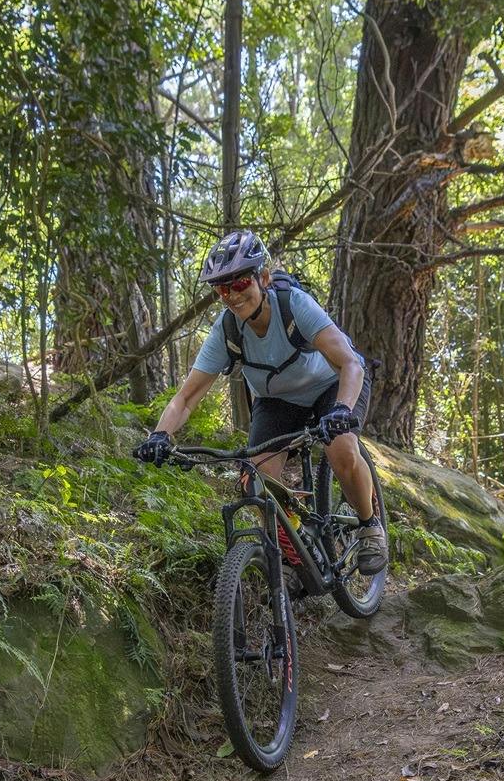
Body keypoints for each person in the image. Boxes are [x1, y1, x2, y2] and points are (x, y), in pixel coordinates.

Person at [132, 231, 389, 576]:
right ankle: (298, 553)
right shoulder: (227, 331)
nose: (232, 296)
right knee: (255, 480)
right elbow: (186, 397)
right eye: (222, 290)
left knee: (339, 446)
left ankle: (370, 525)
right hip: (278, 400)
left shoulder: (294, 306)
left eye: (239, 285)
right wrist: (159, 435)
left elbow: (350, 364)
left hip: (333, 385)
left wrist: (342, 410)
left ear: (263, 278)